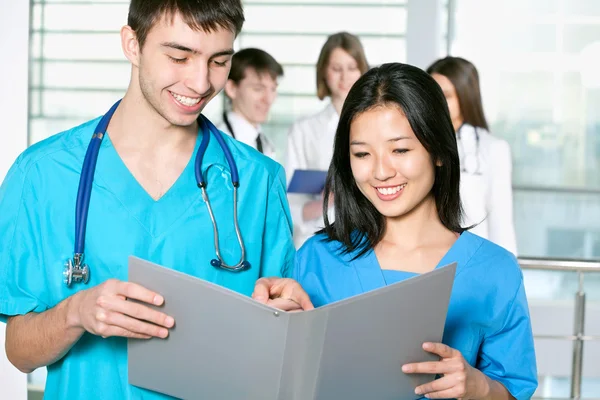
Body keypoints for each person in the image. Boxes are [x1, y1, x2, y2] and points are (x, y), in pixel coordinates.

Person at [0, 1, 311, 399]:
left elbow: (282, 351)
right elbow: (19, 352)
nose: (200, 83)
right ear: (132, 44)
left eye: (219, 61)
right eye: (180, 57)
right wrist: (75, 313)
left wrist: (292, 329)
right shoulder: (43, 174)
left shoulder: (257, 183)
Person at [293, 63, 537, 400]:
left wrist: (479, 387)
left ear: (437, 150)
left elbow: (514, 390)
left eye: (400, 150)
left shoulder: (495, 272)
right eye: (362, 153)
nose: (380, 171)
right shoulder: (315, 259)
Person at [285, 31, 369, 248]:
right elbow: (290, 204)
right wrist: (330, 198)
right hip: (317, 239)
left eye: (352, 68)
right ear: (324, 72)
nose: (344, 77)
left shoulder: (378, 127)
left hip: (368, 236)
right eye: (336, 69)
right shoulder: (303, 130)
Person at [427, 56, 517, 255]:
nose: (437, 103)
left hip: (473, 260)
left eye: (446, 95)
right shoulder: (416, 144)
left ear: (465, 96)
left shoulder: (493, 148)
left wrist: (507, 273)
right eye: (432, 95)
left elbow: (501, 221)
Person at [217, 47, 283, 161]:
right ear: (232, 88)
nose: (268, 99)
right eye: (258, 89)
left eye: (273, 89)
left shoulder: (264, 143)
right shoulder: (217, 144)